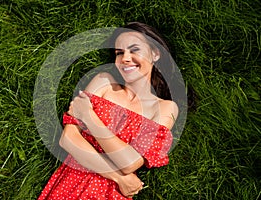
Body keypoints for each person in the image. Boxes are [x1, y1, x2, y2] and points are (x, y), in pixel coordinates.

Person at [38, 22, 178, 200]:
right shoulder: (104, 82)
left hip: (110, 195)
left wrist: (88, 117)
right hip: (72, 183)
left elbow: (129, 163)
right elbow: (68, 139)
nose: (125, 58)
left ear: (155, 53)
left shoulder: (164, 108)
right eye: (119, 53)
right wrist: (119, 177)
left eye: (134, 50)